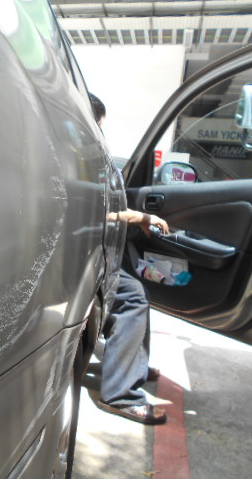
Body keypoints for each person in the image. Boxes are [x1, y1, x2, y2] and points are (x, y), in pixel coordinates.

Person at [90, 93, 170, 425]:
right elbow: (95, 209)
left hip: (93, 249)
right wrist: (139, 217)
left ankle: (131, 364)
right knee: (132, 297)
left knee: (136, 291)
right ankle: (119, 394)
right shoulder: (77, 156)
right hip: (79, 254)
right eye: (97, 126)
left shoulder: (88, 156)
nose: (99, 133)